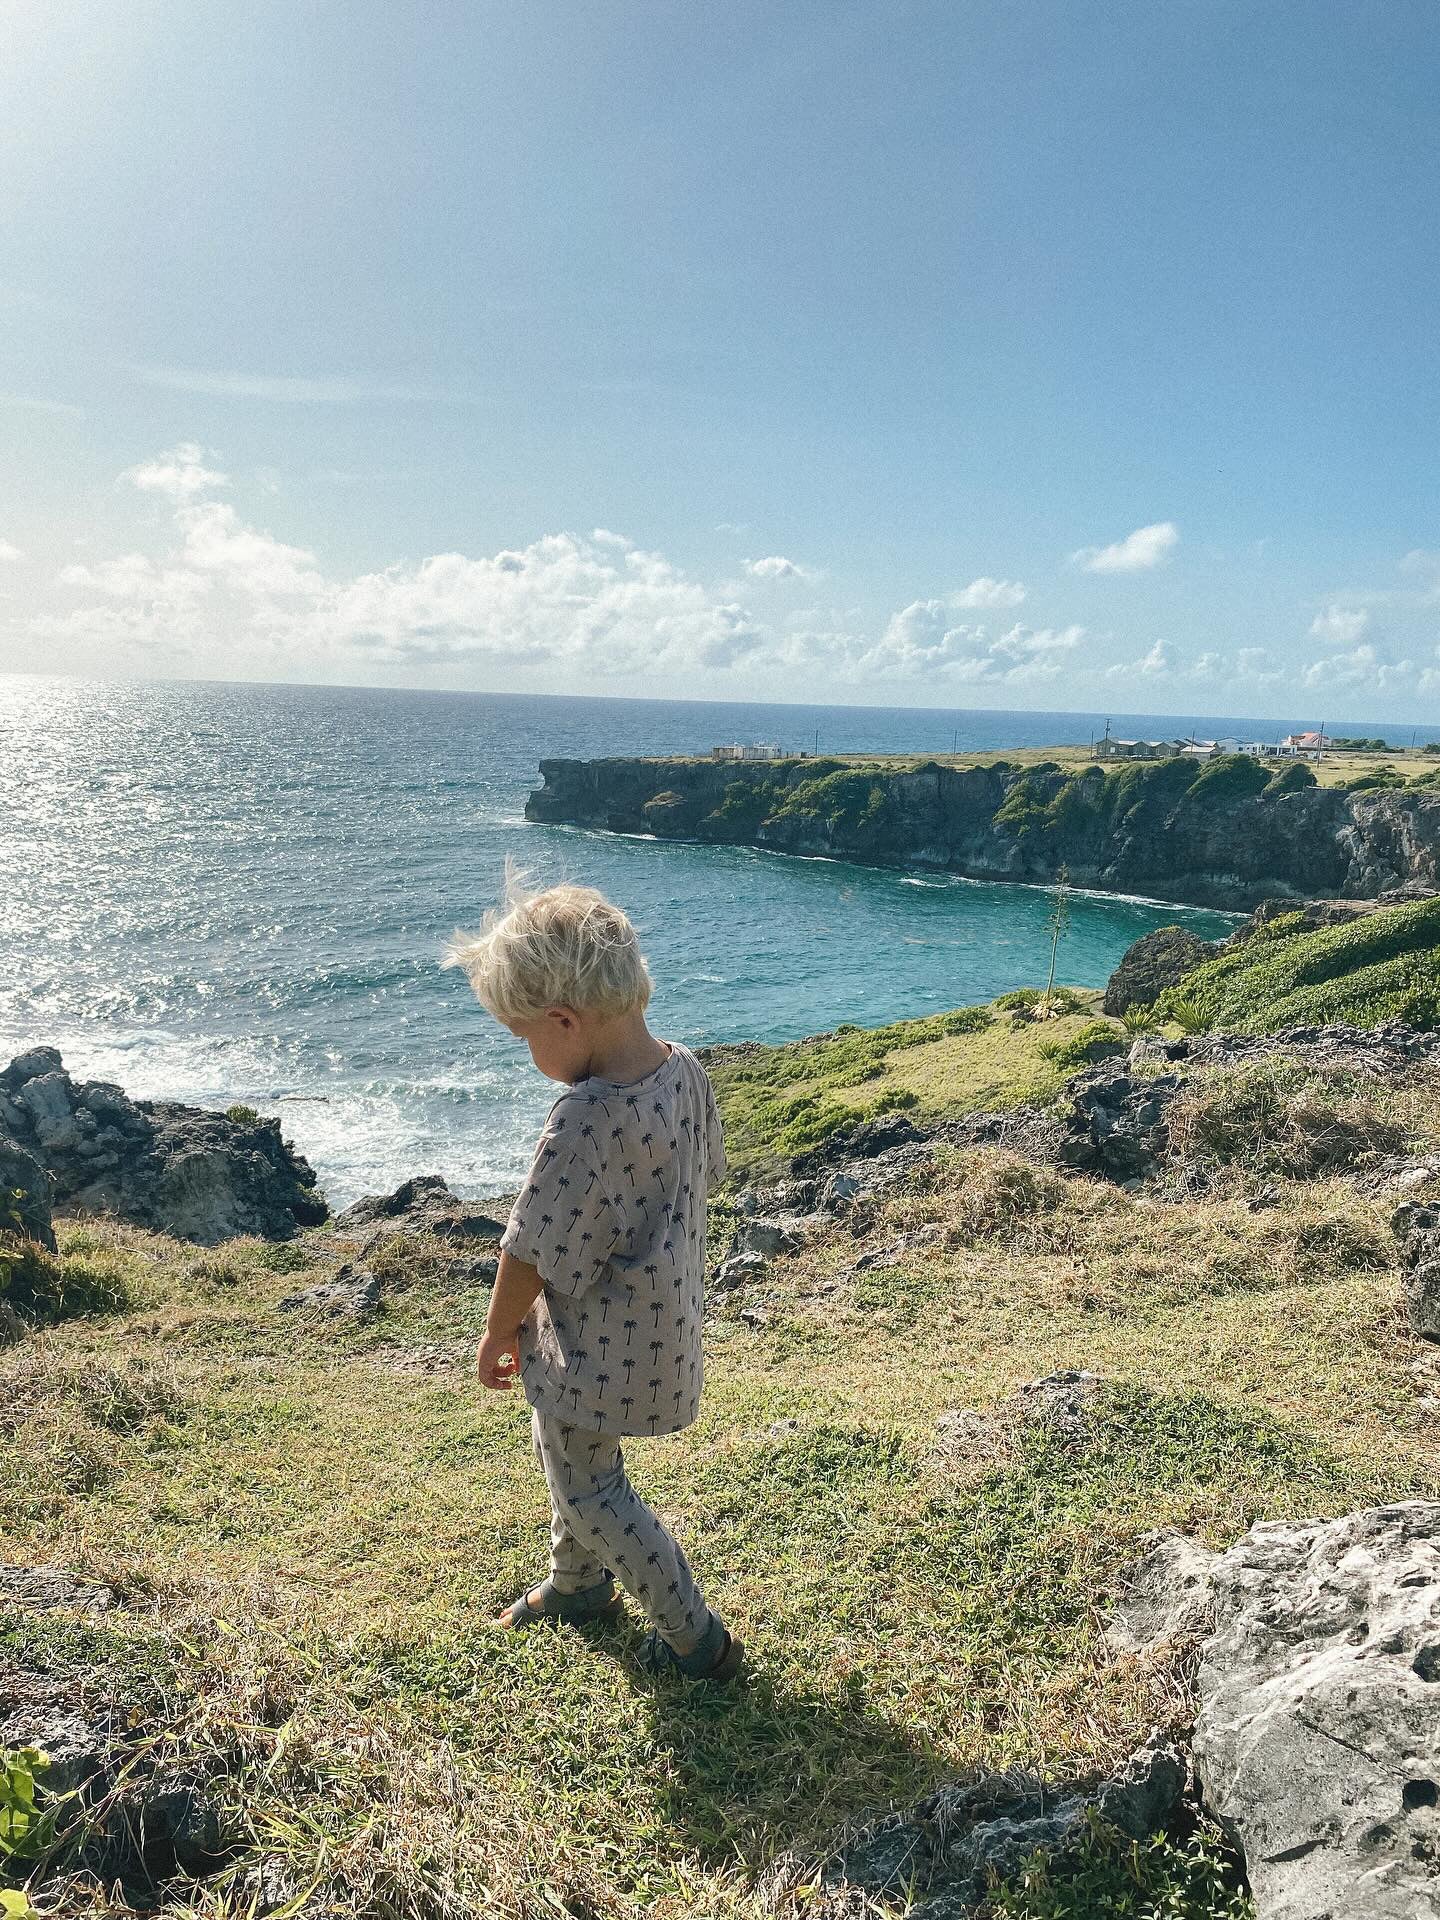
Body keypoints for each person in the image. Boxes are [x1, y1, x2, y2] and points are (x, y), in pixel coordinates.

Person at [444, 871, 742, 1682]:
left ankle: (696, 1638)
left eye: (524, 1036)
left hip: (593, 1351)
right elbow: (700, 1174)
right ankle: (578, 1585)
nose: (528, 1053)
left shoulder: (584, 1116)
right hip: (661, 1328)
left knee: (592, 1492)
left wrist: (499, 1330)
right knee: (574, 1465)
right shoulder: (683, 1071)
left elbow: (529, 1247)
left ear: (566, 1020)